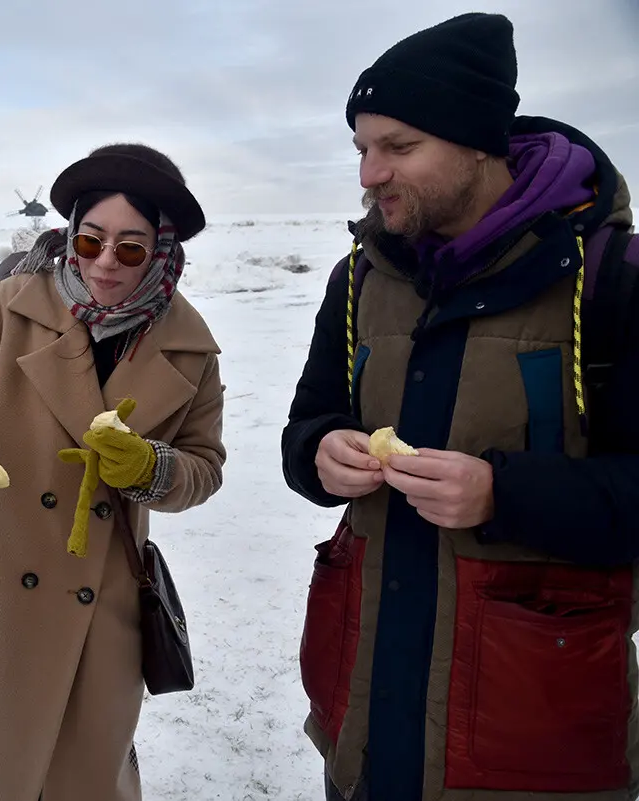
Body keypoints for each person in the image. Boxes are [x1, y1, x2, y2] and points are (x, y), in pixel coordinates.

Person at [281, 13, 639, 801]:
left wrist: (502, 493)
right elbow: (307, 423)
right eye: (361, 149)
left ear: (480, 143)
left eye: (398, 147)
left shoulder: (613, 279)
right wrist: (319, 452)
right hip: (369, 719)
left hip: (531, 739)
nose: (370, 173)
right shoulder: (359, 278)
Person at [0, 143, 226, 801]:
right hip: (2, 593)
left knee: (85, 778)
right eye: (91, 240)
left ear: (161, 251)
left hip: (105, 610)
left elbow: (204, 466)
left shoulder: (191, 348)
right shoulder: (13, 306)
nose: (104, 263)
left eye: (131, 249)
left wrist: (153, 468)